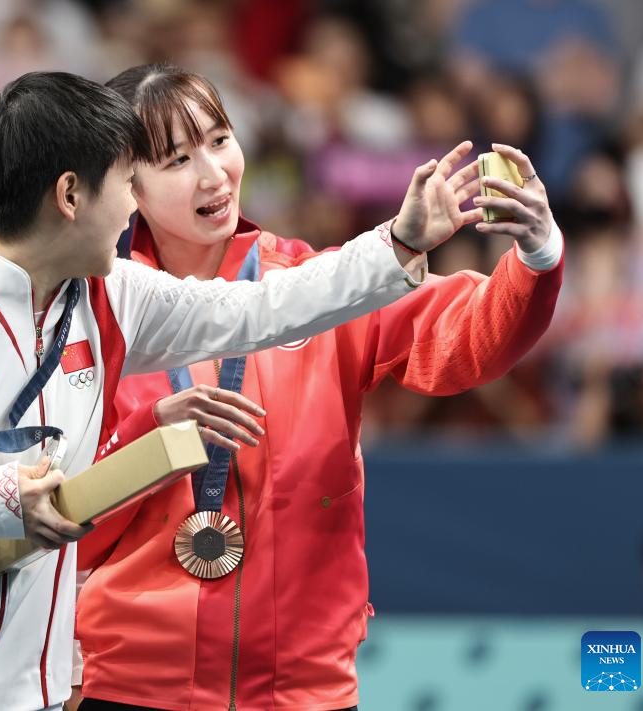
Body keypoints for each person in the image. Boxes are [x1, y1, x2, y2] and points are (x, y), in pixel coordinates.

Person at [0, 70, 478, 711]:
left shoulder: (111, 293)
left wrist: (399, 241)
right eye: (125, 181)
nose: (134, 204)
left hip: (19, 694)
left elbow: (261, 309)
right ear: (70, 195)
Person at [73, 64, 564, 711]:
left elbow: (462, 339)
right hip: (134, 683)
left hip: (303, 686)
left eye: (220, 140)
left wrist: (537, 256)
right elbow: (67, 519)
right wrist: (152, 435)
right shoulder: (91, 312)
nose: (214, 173)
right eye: (176, 159)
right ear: (124, 182)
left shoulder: (319, 286)